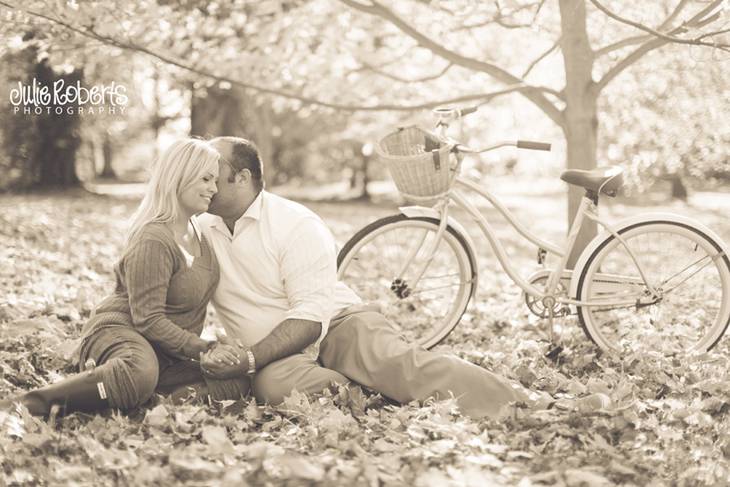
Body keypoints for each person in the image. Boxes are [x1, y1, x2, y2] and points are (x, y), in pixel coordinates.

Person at [197, 136, 532, 419]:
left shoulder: (295, 223)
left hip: (338, 324)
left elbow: (311, 318)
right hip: (278, 353)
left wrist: (252, 358)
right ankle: (368, 389)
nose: (205, 181)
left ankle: (527, 404)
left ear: (241, 178)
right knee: (274, 390)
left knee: (401, 366)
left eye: (213, 173)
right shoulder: (198, 228)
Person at [1, 139, 249, 418]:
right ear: (180, 176)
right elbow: (148, 320)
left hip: (167, 355)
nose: (213, 189)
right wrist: (204, 347)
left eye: (215, 181)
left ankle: (141, 402)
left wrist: (219, 351)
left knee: (235, 380)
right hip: (121, 334)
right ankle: (29, 405)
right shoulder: (154, 238)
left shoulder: (202, 235)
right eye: (206, 179)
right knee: (141, 370)